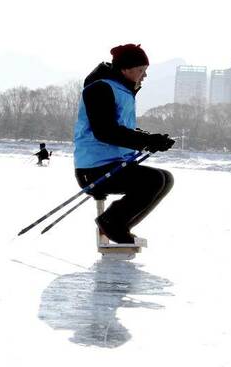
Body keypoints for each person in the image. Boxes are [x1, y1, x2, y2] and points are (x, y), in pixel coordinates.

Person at [73, 44, 175, 244]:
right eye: (141, 70)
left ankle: (119, 225)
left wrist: (151, 140)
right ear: (125, 68)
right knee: (154, 180)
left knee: (165, 178)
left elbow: (122, 129)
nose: (144, 76)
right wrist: (145, 141)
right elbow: (106, 131)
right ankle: (111, 223)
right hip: (94, 167)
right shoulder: (100, 88)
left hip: (114, 162)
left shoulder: (123, 91)